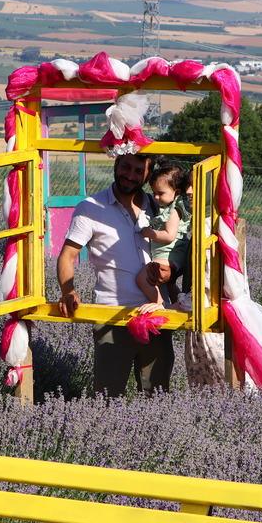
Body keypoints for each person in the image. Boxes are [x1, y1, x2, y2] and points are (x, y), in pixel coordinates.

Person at [56, 153, 174, 397]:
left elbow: (179, 246)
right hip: (112, 315)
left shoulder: (158, 205)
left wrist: (171, 273)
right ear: (116, 164)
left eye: (138, 171)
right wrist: (68, 291)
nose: (130, 175)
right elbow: (68, 255)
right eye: (126, 167)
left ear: (148, 174)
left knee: (157, 398)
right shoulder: (91, 208)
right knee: (107, 398)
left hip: (157, 315)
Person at [135, 161, 191, 310]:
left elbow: (169, 235)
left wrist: (149, 233)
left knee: (142, 278)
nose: (156, 197)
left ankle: (161, 305)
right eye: (154, 193)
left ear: (176, 192)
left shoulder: (174, 210)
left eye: (160, 193)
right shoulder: (168, 207)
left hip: (169, 255)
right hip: (171, 255)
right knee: (169, 284)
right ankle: (181, 304)